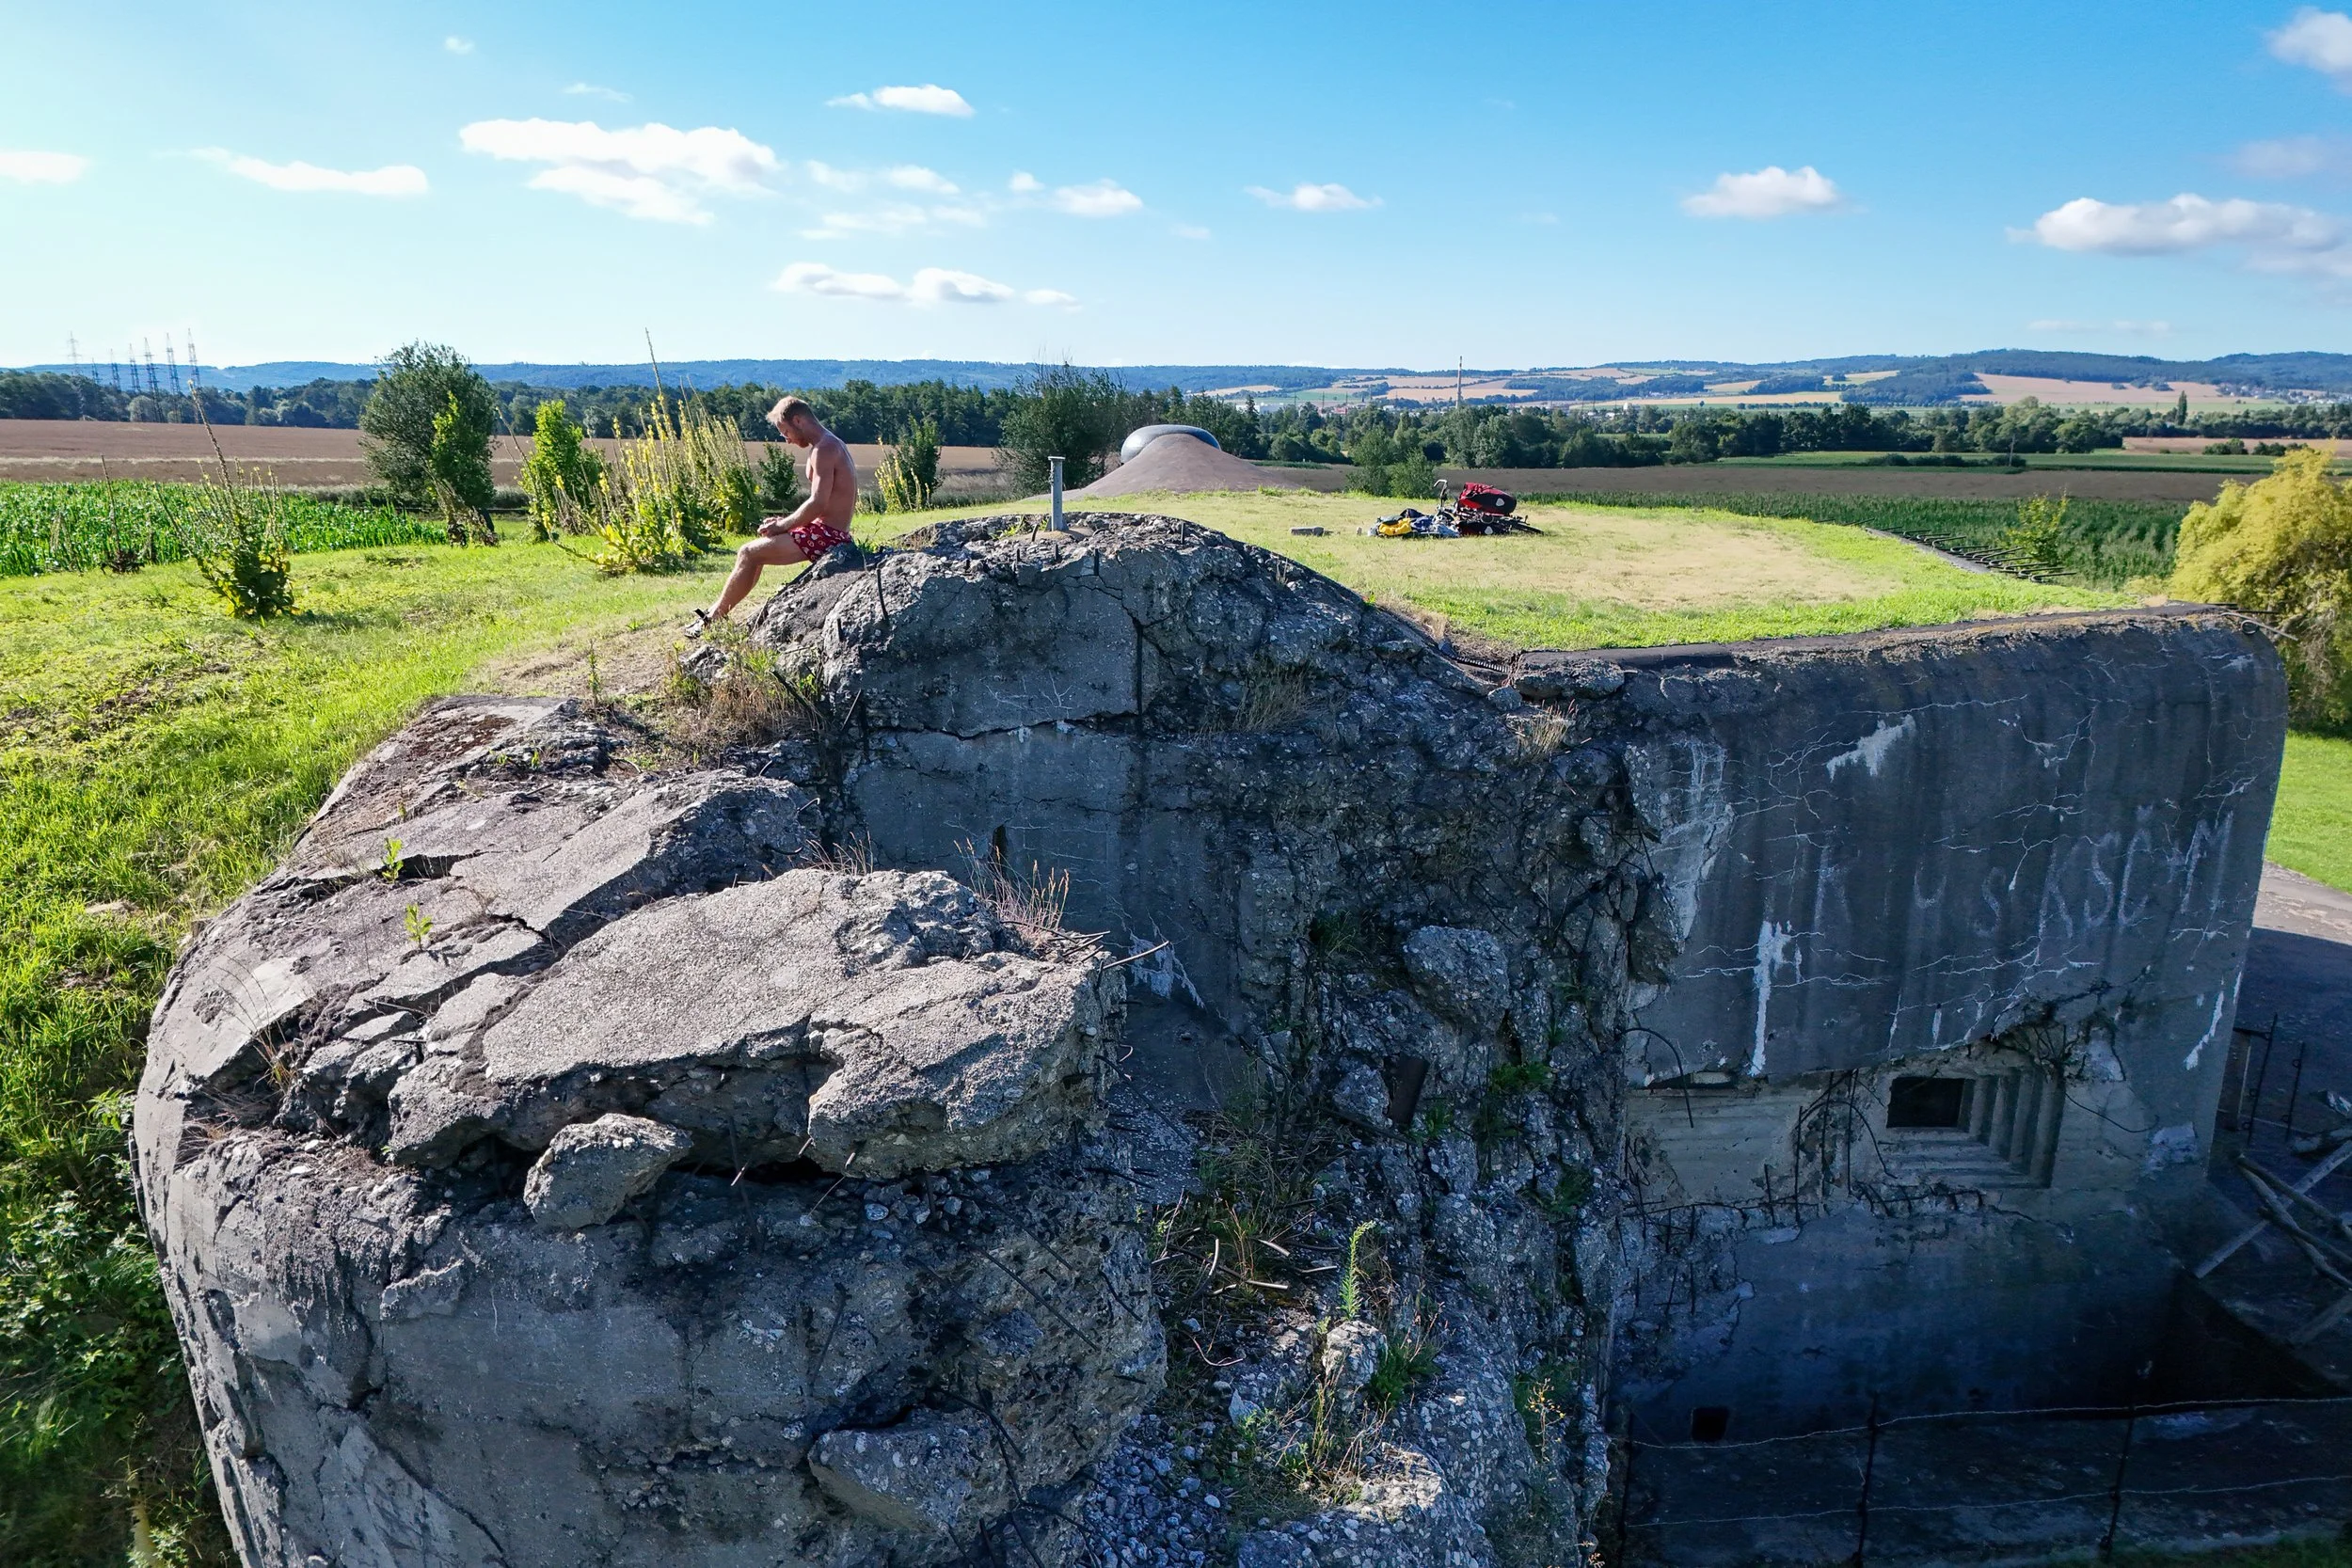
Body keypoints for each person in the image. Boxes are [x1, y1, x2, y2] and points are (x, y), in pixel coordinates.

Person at [691, 395, 857, 633]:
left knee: (748, 552)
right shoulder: (827, 444)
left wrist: (783, 526)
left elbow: (818, 503)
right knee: (754, 551)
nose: (787, 440)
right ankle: (713, 615)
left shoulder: (825, 449)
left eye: (785, 432)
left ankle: (713, 619)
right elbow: (821, 504)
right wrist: (784, 523)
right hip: (825, 531)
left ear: (798, 420)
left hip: (830, 536)